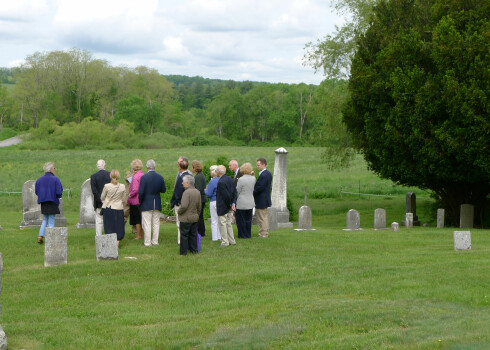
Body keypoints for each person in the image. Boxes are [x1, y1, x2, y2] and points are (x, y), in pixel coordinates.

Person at [139, 159, 166, 247]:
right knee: (156, 223)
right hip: (157, 202)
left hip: (146, 202)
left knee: (147, 223)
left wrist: (140, 201)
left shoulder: (144, 177)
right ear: (154, 167)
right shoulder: (160, 177)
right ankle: (155, 241)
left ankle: (147, 242)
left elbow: (141, 192)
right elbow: (163, 190)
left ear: (147, 167)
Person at [35, 162, 63, 244]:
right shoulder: (55, 179)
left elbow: (37, 191)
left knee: (45, 219)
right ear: (51, 169)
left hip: (43, 202)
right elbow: (58, 191)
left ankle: (40, 236)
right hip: (52, 201)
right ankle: (51, 239)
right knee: (51, 220)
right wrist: (59, 195)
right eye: (54, 168)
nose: (55, 170)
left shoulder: (39, 180)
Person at [101, 169, 126, 246]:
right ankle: (117, 242)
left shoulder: (107, 186)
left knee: (109, 225)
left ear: (110, 176)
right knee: (118, 226)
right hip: (119, 208)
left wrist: (104, 200)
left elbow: (102, 197)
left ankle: (110, 244)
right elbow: (124, 198)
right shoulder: (122, 186)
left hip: (109, 208)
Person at [177, 175, 201, 255]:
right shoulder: (197, 191)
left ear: (187, 183)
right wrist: (197, 214)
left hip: (185, 218)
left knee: (184, 235)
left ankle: (183, 252)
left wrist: (179, 211)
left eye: (183, 182)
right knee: (193, 235)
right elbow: (199, 206)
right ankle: (194, 250)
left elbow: (184, 206)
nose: (182, 183)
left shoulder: (186, 192)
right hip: (194, 217)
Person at [170, 156, 192, 245]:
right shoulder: (190, 176)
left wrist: (176, 202)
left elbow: (178, 192)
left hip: (181, 203)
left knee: (180, 223)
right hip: (190, 202)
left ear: (180, 166)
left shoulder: (181, 177)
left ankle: (181, 241)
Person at [216, 165, 237, 247]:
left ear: (218, 172)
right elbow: (235, 192)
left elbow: (226, 195)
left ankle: (225, 241)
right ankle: (232, 240)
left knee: (222, 223)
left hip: (223, 205)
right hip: (230, 205)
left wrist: (230, 203)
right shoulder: (230, 179)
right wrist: (233, 203)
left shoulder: (221, 182)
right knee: (228, 223)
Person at [90, 159, 111, 237]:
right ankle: (108, 236)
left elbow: (94, 191)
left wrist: (100, 199)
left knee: (99, 221)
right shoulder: (109, 175)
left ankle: (98, 237)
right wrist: (106, 199)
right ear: (105, 166)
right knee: (108, 221)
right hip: (109, 202)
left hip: (98, 202)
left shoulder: (93, 176)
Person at [253, 158, 272, 238]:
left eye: (258, 165)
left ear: (264, 164)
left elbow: (260, 187)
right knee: (263, 217)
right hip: (264, 198)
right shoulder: (267, 173)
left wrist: (252, 193)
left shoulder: (264, 175)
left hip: (261, 199)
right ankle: (263, 232)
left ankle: (263, 233)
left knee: (262, 217)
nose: (257, 167)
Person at [235, 162, 255, 238]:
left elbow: (237, 191)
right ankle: (248, 234)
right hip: (250, 201)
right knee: (248, 220)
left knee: (241, 220)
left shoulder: (241, 179)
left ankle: (242, 235)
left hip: (242, 202)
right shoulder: (253, 178)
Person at [127, 159, 145, 240]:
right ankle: (142, 234)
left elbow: (135, 190)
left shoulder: (135, 177)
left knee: (137, 220)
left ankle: (138, 235)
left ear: (133, 168)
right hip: (142, 200)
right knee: (142, 219)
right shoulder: (143, 175)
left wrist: (129, 195)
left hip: (135, 200)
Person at [205, 165, 221, 242]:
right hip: (220, 201)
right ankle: (220, 235)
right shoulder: (221, 180)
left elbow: (209, 193)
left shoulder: (212, 181)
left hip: (213, 201)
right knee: (220, 219)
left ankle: (215, 237)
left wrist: (205, 190)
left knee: (214, 220)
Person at [192, 160, 207, 237]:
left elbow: (198, 189)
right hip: (202, 198)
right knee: (200, 216)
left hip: (200, 199)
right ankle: (201, 231)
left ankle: (201, 232)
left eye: (192, 167)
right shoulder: (200, 175)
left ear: (195, 168)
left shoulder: (198, 177)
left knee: (199, 216)